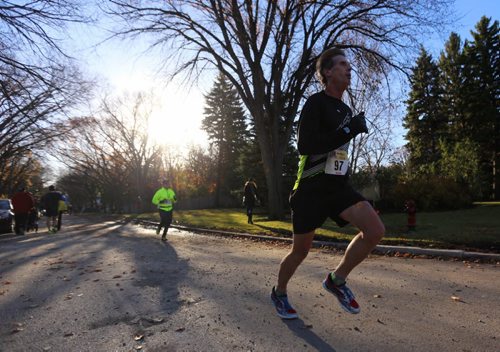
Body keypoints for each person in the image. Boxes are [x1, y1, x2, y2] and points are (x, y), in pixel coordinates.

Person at [271, 48, 385, 319]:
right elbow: (306, 146)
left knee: (375, 230)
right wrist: (349, 129)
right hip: (311, 187)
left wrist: (349, 130)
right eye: (343, 64)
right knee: (300, 251)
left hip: (337, 186)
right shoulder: (315, 103)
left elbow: (338, 151)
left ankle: (337, 280)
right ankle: (279, 292)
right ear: (327, 72)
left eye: (349, 65)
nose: (349, 69)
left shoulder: (345, 109)